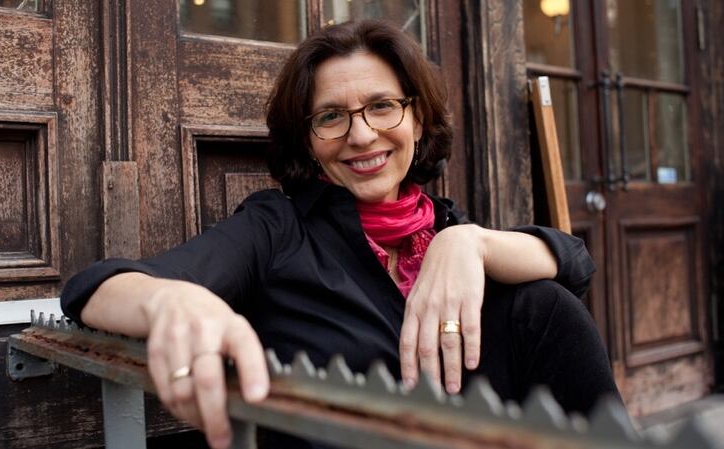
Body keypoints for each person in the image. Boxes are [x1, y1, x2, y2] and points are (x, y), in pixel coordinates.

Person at [61, 20, 621, 449]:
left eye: (382, 106)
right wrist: (168, 300)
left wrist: (471, 241)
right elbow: (94, 288)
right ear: (308, 140)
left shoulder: (446, 226)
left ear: (417, 119)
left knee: (545, 303)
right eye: (331, 117)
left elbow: (574, 262)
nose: (361, 134)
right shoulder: (277, 229)